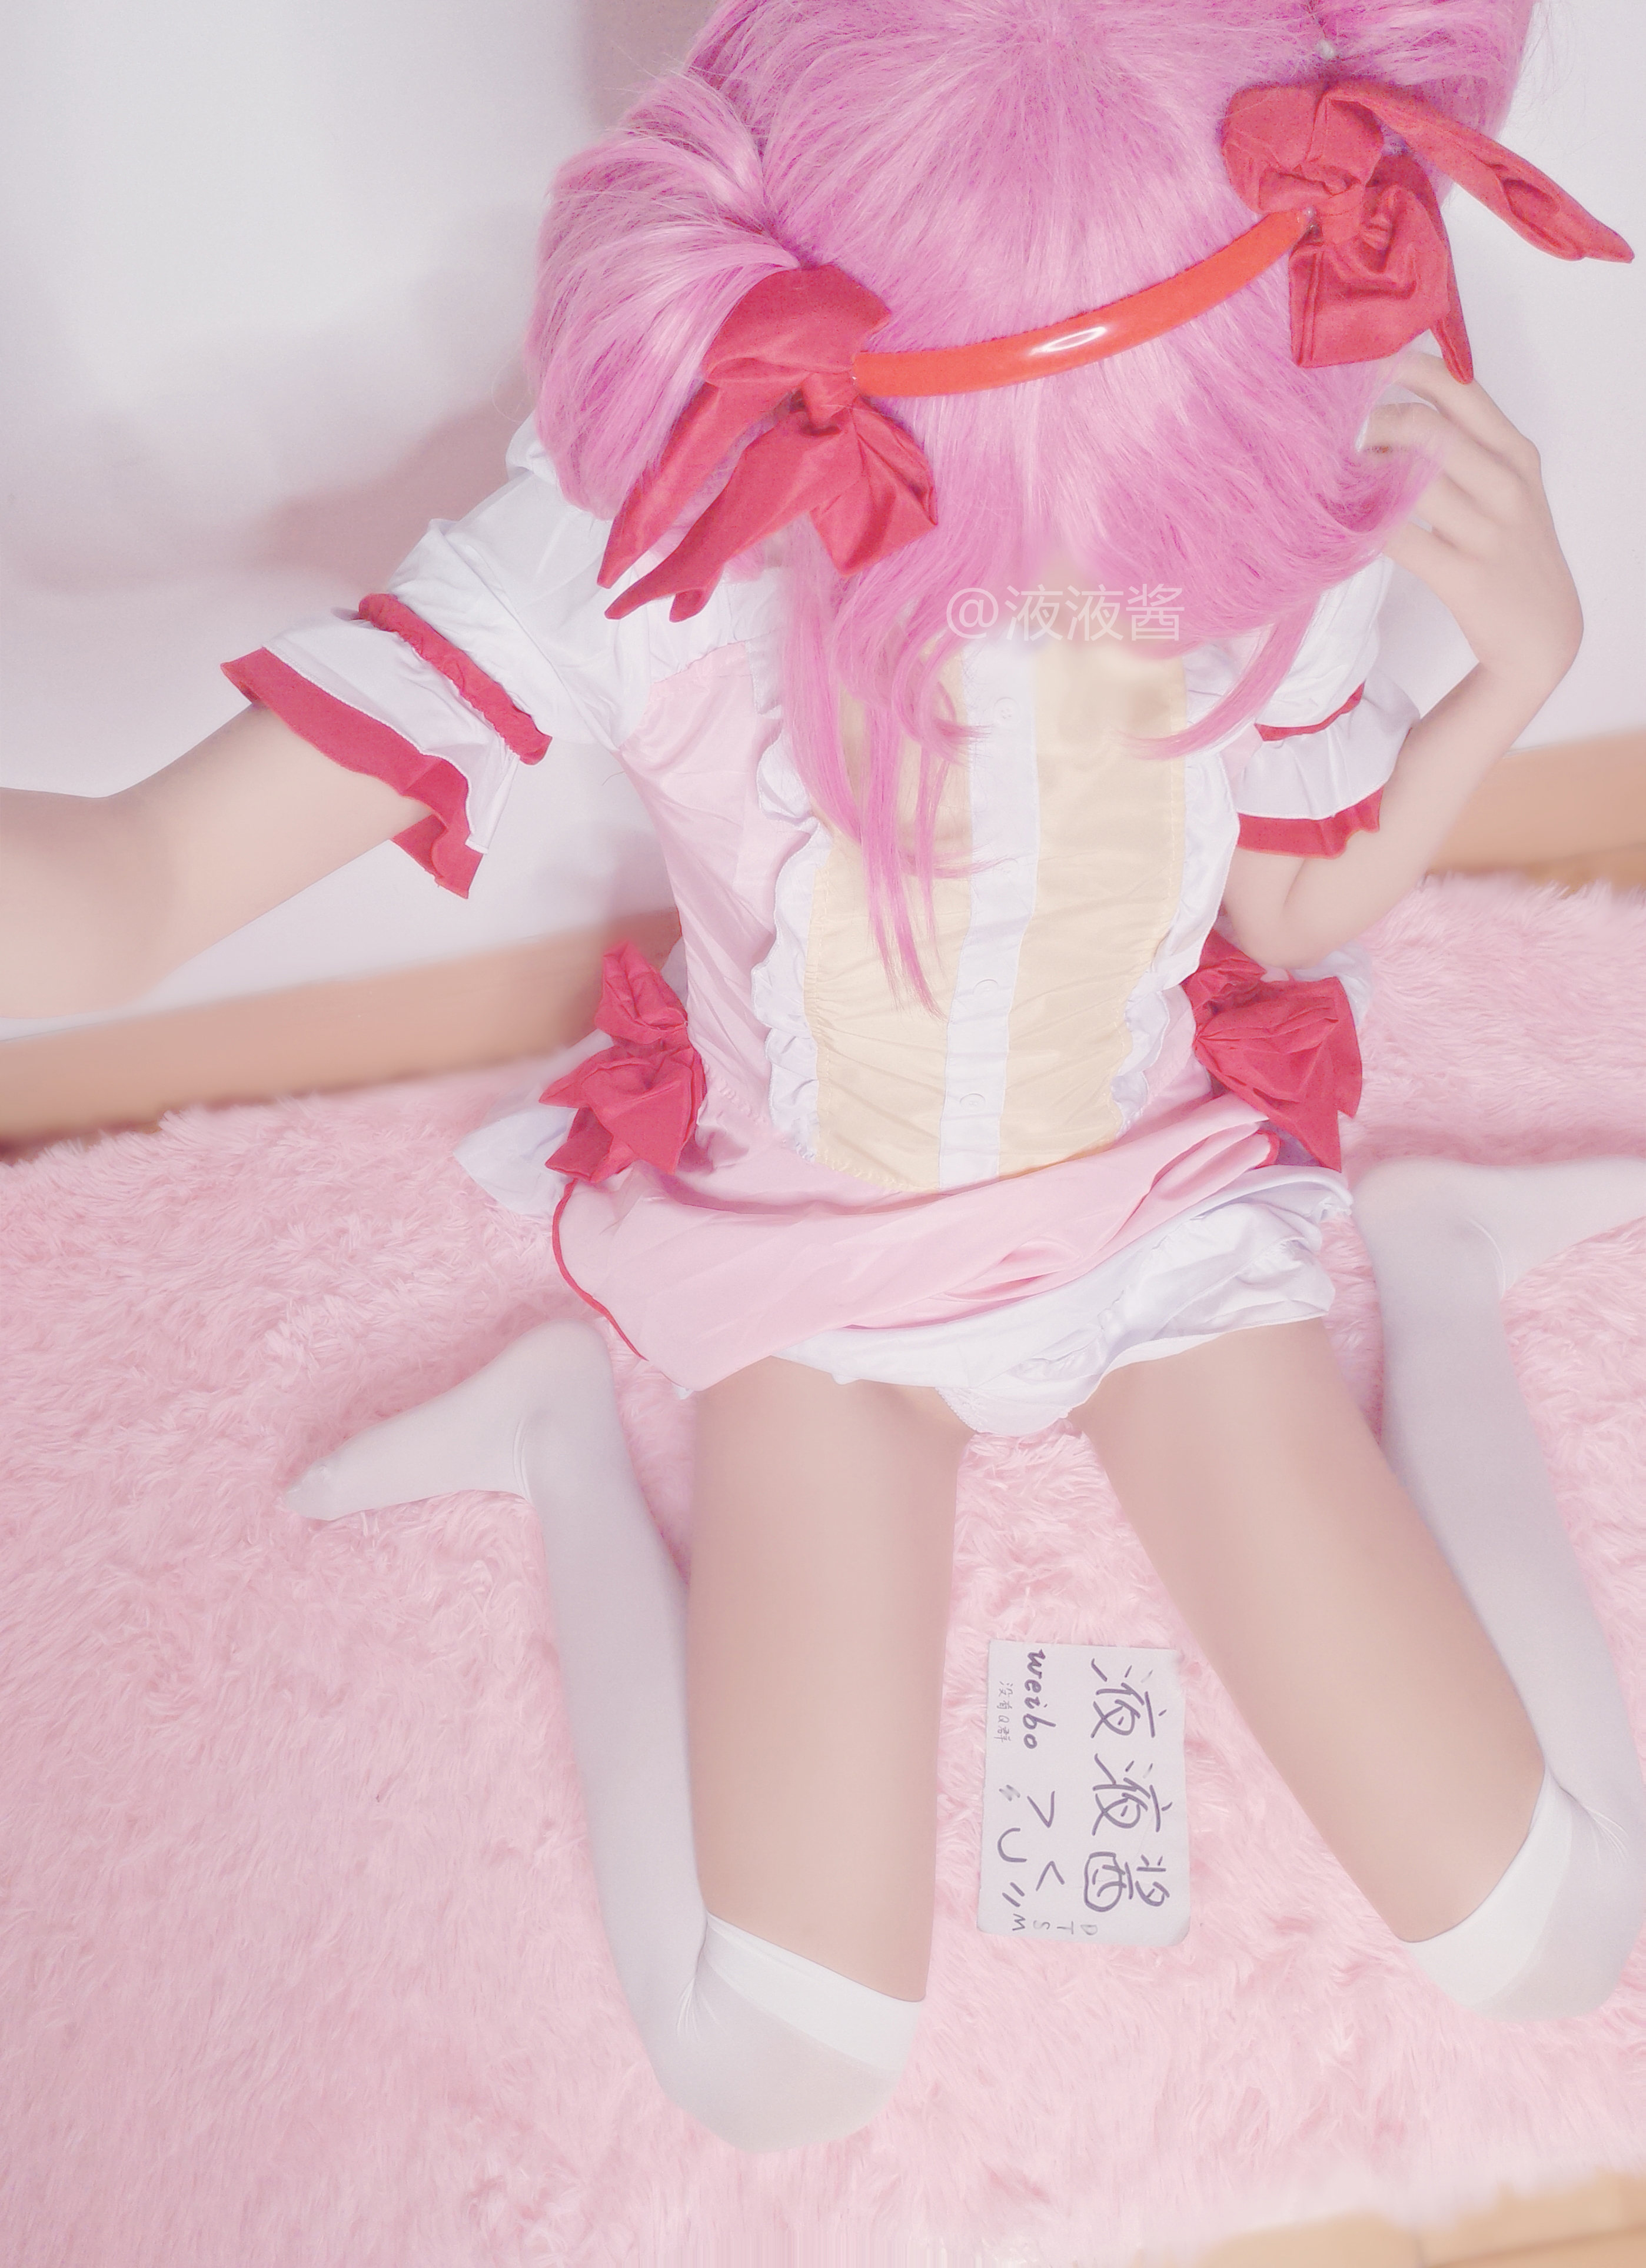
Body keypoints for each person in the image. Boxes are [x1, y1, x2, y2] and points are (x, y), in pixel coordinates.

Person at [4, 0, 1644, 2153]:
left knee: (1554, 1933)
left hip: (1151, 1212)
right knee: (776, 2066)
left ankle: (1426, 1260)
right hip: (811, 1275)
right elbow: (138, 883)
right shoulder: (653, 525)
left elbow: (1297, 903)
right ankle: (559, 1438)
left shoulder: (1256, 451)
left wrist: (1527, 666)